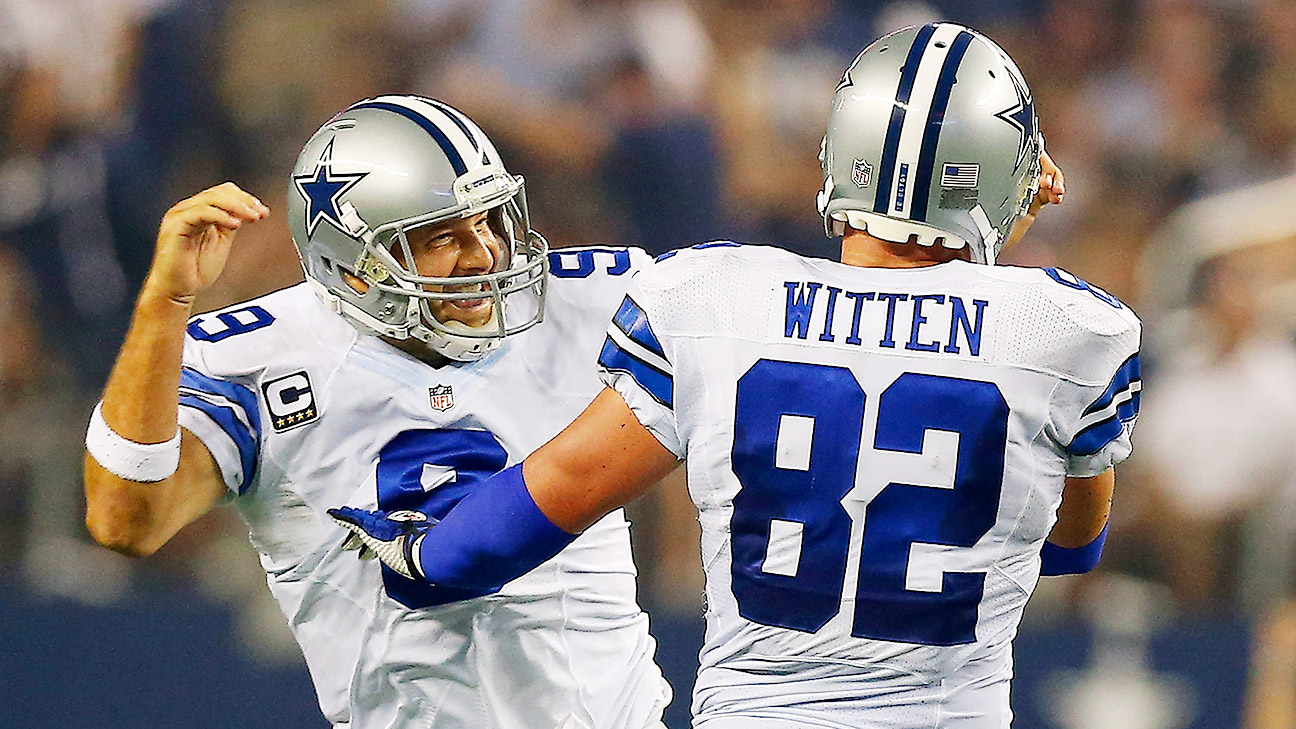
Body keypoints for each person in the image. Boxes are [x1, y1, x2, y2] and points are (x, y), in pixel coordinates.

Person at [331, 24, 1139, 728]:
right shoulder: (1067, 329)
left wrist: (420, 557)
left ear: (840, 156)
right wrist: (1010, 229)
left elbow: (554, 493)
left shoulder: (716, 300)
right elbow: (1069, 548)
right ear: (1011, 178)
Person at [82, 95, 671, 729]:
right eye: (441, 235)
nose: (484, 256)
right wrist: (164, 307)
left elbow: (746, 324)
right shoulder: (259, 359)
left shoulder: (592, 300)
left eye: (492, 221)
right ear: (353, 265)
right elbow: (126, 522)